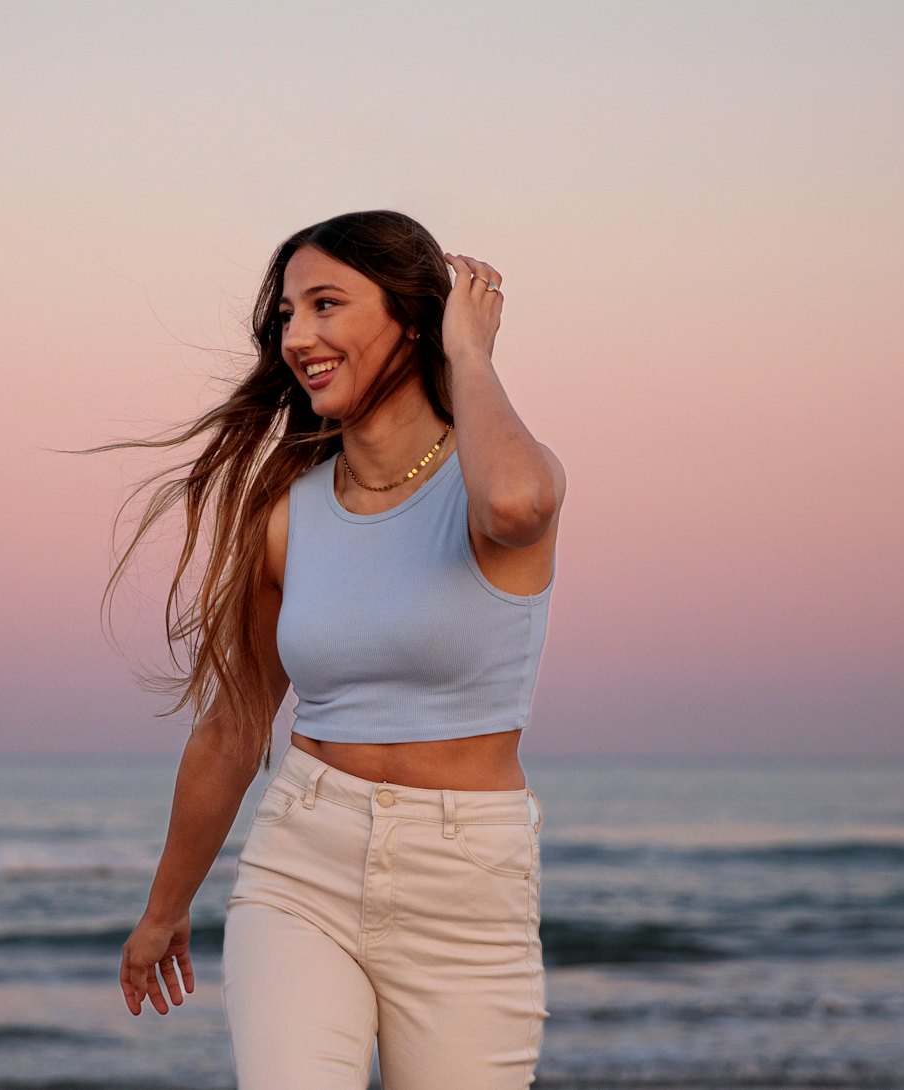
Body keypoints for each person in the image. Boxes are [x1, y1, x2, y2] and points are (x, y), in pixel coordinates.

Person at [102, 210, 565, 1088]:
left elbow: (513, 504)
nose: (298, 337)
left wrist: (471, 354)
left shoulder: (499, 477)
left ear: (412, 318)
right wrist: (165, 908)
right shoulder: (288, 515)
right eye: (286, 315)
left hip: (468, 888)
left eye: (325, 305)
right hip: (302, 862)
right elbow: (234, 728)